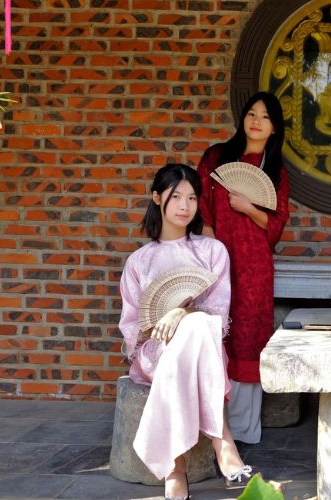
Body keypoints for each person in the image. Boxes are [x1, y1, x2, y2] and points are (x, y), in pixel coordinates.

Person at [119, 164, 255, 500]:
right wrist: (161, 324)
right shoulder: (139, 261)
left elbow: (218, 316)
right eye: (176, 196)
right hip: (156, 349)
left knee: (198, 325)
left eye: (192, 198)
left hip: (204, 344)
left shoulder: (212, 251)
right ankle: (222, 439)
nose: (185, 205)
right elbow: (133, 327)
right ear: (157, 198)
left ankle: (175, 468)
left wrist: (182, 312)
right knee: (186, 339)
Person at [196, 91, 290, 445]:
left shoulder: (276, 171)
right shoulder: (216, 158)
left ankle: (243, 431)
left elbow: (275, 228)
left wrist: (249, 206)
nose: (256, 121)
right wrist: (211, 255)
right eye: (251, 113)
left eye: (265, 116)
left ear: (274, 127)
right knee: (214, 334)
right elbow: (203, 212)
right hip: (217, 261)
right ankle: (209, 430)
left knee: (248, 339)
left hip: (254, 268)